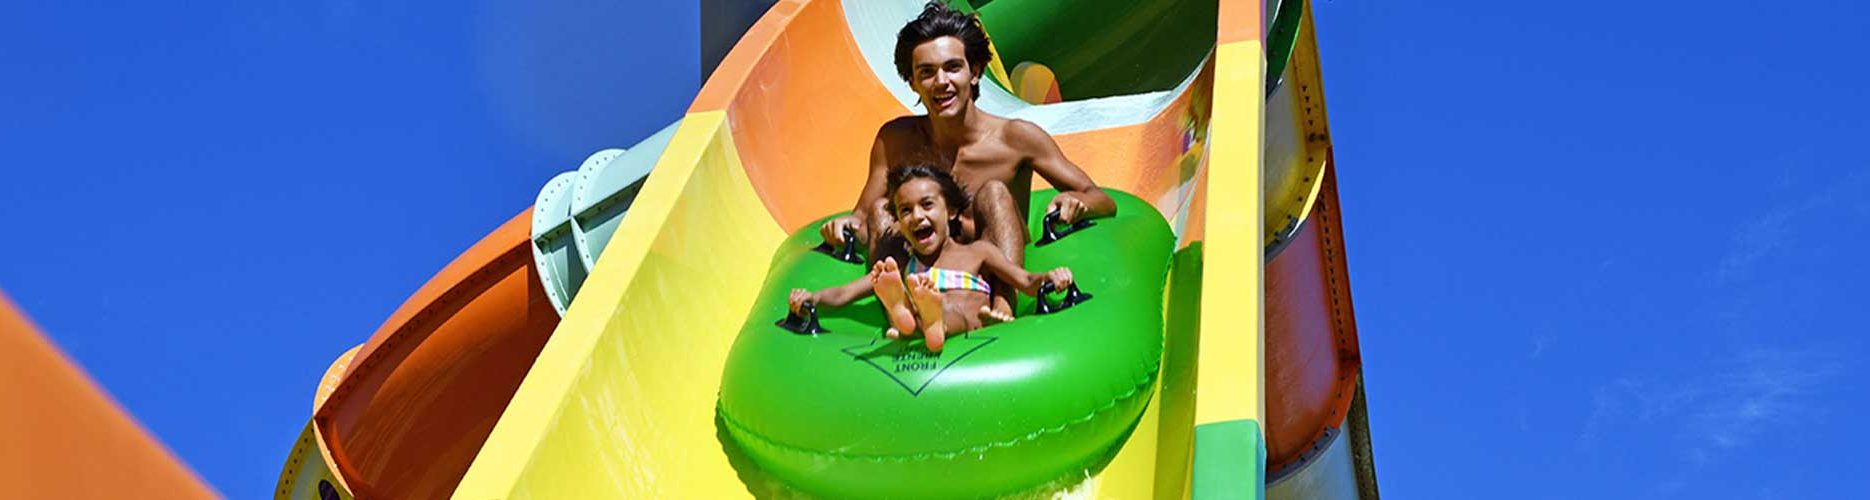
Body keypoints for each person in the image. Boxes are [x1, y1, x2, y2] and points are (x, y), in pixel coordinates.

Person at [819, 1, 1113, 324]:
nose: (941, 82)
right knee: (881, 209)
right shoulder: (895, 140)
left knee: (994, 193)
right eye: (926, 72)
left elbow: (1101, 199)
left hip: (994, 267)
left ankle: (1003, 306)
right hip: (925, 277)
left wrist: (1075, 202)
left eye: (952, 68)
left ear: (974, 72)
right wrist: (844, 227)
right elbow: (864, 219)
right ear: (912, 82)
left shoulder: (1015, 138)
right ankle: (900, 312)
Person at [793, 166, 1073, 353]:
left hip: (966, 325)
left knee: (950, 313)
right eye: (905, 210)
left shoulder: (979, 252)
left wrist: (1051, 278)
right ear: (899, 222)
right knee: (912, 302)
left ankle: (920, 318)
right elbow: (845, 293)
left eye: (927, 205)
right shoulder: (902, 267)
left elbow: (1025, 280)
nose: (917, 216)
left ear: (950, 210)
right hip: (922, 325)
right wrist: (812, 299)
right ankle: (906, 314)